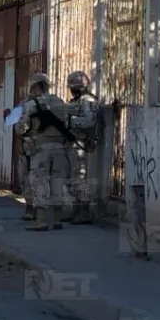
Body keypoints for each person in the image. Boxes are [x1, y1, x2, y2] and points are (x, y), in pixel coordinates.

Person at [13, 73, 72, 232]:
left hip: (40, 150)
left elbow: (20, 127)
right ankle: (57, 220)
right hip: (60, 150)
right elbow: (68, 124)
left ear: (35, 86)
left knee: (39, 183)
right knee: (57, 184)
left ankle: (42, 221)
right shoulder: (60, 102)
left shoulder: (32, 104)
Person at [62, 70, 100, 226]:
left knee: (79, 179)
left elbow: (89, 122)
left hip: (80, 145)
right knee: (72, 180)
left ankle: (84, 212)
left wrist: (70, 121)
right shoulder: (75, 101)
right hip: (71, 144)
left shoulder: (88, 101)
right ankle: (77, 211)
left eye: (73, 87)